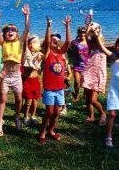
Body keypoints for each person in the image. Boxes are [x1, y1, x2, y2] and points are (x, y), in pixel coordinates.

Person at [0, 4, 30, 136]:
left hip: (17, 75)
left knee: (19, 99)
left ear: (17, 34)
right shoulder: (4, 43)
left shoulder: (20, 43)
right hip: (6, 76)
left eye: (13, 29)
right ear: (5, 34)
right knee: (3, 99)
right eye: (7, 30)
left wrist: (26, 16)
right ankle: (0, 123)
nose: (10, 31)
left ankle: (17, 116)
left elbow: (27, 29)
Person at [38, 15, 71, 144]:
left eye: (57, 40)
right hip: (49, 90)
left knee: (56, 112)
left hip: (60, 89)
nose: (55, 41)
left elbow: (68, 42)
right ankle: (42, 131)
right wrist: (49, 26)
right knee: (49, 111)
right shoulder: (47, 54)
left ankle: (51, 130)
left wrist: (67, 26)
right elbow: (47, 41)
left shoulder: (62, 55)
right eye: (53, 40)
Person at [81, 22, 107, 125]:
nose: (94, 32)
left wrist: (94, 31)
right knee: (87, 97)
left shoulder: (100, 41)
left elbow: (98, 40)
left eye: (95, 29)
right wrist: (88, 28)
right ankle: (91, 116)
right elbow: (86, 38)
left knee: (93, 99)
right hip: (88, 70)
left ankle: (103, 114)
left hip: (98, 74)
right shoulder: (90, 41)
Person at [22, 35, 44, 125]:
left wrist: (39, 59)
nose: (31, 45)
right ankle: (26, 116)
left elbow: (39, 65)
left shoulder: (39, 54)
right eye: (30, 43)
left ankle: (33, 115)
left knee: (35, 99)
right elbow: (25, 48)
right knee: (28, 100)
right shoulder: (26, 54)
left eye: (33, 43)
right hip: (27, 80)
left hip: (35, 80)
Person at [67, 26, 89, 102]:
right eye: (80, 32)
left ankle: (85, 95)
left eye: (83, 32)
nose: (82, 33)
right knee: (77, 82)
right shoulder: (75, 42)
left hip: (86, 66)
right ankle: (77, 95)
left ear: (86, 33)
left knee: (86, 83)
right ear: (78, 33)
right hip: (77, 65)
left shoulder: (89, 41)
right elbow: (69, 49)